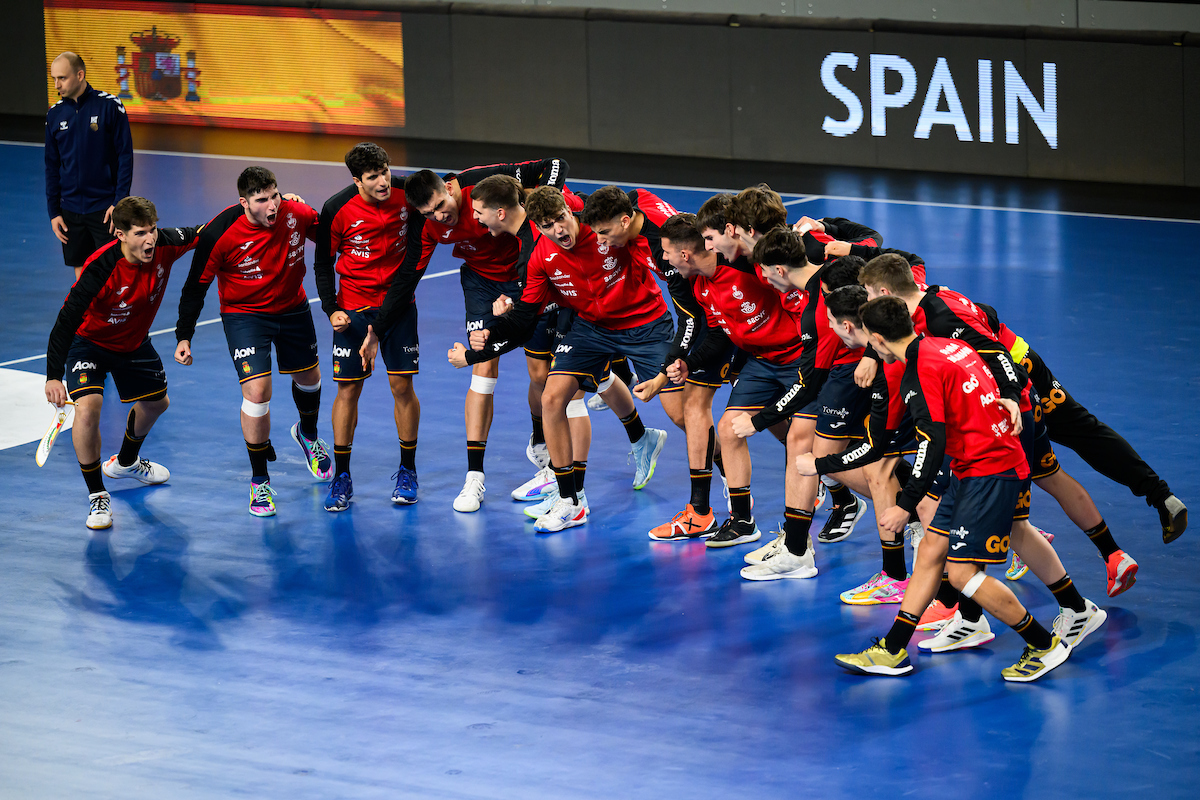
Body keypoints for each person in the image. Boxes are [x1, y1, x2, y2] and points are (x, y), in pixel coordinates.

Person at [835, 297, 1105, 682]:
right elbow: (1001, 366)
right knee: (931, 549)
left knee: (963, 575)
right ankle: (893, 650)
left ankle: (1043, 644)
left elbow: (932, 444)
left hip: (988, 470)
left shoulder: (918, 371)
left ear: (878, 339)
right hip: (980, 462)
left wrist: (904, 504)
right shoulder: (948, 344)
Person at [860, 253, 1140, 599]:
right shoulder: (929, 300)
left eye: (870, 295)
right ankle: (1111, 555)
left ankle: (967, 609)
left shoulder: (939, 317)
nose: (868, 302)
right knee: (1042, 487)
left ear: (886, 291)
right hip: (1012, 408)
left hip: (1003, 415)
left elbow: (996, 351)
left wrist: (1007, 395)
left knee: (962, 510)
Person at [467, 186, 669, 532]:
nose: (558, 229)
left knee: (683, 411)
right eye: (547, 225)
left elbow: (639, 208)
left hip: (644, 321)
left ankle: (722, 495)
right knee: (553, 396)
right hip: (591, 328)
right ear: (537, 226)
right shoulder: (541, 257)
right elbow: (525, 317)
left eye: (561, 218)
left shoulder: (602, 229)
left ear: (570, 210)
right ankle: (570, 501)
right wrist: (487, 338)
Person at [398, 159, 572, 513]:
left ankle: (542, 442)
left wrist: (535, 200)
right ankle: (474, 477)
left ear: (449, 188)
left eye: (442, 208)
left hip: (527, 279)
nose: (439, 217)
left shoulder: (481, 184)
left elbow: (555, 166)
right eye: (429, 213)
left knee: (541, 375)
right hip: (482, 284)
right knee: (484, 371)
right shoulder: (429, 220)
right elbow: (410, 270)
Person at [174, 167, 331, 517]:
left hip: (292, 307)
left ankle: (307, 434)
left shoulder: (296, 213)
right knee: (257, 393)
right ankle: (260, 481)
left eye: (275, 195)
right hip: (245, 316)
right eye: (262, 200)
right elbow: (195, 287)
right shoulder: (220, 233)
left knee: (310, 379)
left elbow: (335, 236)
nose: (272, 205)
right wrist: (184, 334)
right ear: (244, 202)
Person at [43, 196, 199, 528]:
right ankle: (97, 495)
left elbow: (209, 231)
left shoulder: (166, 243)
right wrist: (53, 376)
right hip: (89, 345)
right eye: (141, 233)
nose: (150, 239)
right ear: (120, 234)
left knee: (157, 404)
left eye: (153, 230)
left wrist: (278, 203)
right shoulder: (100, 268)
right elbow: (66, 321)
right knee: (89, 409)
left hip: (133, 343)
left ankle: (126, 462)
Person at [451, 173, 598, 510]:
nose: (473, 219)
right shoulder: (532, 240)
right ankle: (566, 488)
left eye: (478, 212)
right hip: (564, 306)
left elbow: (522, 322)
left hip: (584, 313)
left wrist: (474, 355)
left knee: (568, 394)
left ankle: (577, 495)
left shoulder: (536, 241)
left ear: (501, 212)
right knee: (555, 391)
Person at [313, 143, 425, 510]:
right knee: (348, 390)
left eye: (385, 171)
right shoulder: (337, 208)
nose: (382, 181)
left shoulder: (408, 196)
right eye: (373, 176)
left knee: (401, 386)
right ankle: (341, 476)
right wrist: (331, 309)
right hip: (354, 309)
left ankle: (407, 470)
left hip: (398, 307)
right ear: (357, 179)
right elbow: (322, 263)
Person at [640, 213, 738, 540]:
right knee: (696, 409)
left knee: (789, 428)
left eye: (666, 253)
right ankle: (708, 512)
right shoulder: (696, 283)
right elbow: (705, 328)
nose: (662, 260)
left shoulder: (738, 269)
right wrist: (677, 367)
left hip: (777, 347)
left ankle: (835, 490)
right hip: (732, 338)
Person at [46, 51, 134, 281]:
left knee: (114, 270)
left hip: (105, 209)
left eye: (62, 78)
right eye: (54, 78)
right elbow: (52, 165)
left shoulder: (110, 106)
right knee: (81, 272)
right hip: (70, 210)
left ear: (80, 74)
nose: (57, 85)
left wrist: (119, 203)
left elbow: (125, 157)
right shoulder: (54, 114)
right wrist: (54, 212)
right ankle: (90, 316)